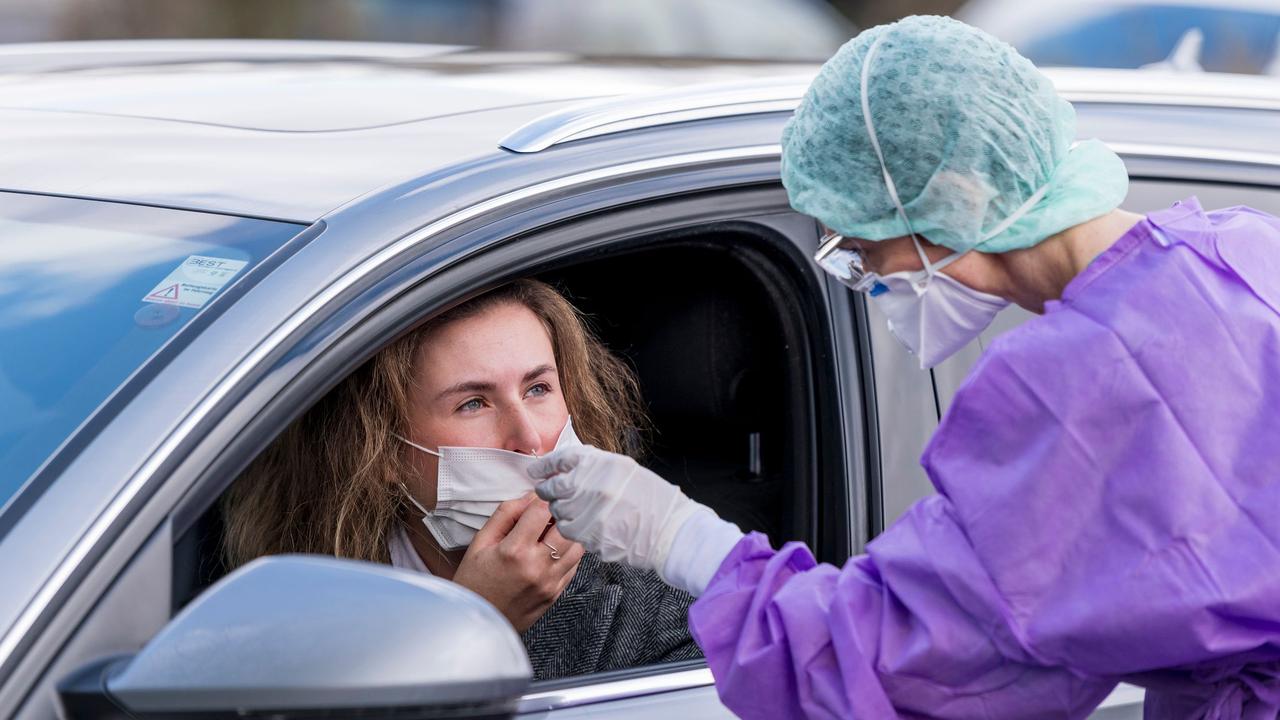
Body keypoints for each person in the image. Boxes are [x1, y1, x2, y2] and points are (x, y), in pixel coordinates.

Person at [528, 15, 1280, 719]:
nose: (862, 273)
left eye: (861, 245)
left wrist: (676, 536)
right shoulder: (1247, 253)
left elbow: (897, 665)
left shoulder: (1073, 390)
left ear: (955, 196)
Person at [222, 279, 700, 681]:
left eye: (538, 389)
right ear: (381, 448)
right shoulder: (293, 585)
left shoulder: (661, 612)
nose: (530, 439)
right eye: (474, 403)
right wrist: (474, 619)